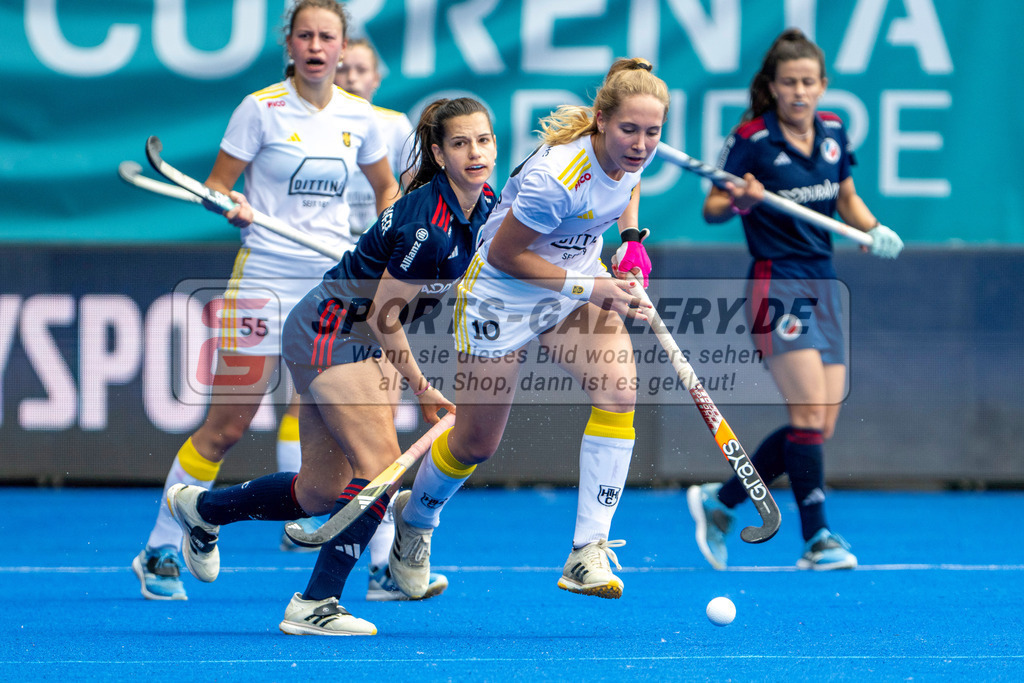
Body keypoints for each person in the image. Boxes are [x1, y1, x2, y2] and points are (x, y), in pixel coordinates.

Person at [162, 96, 498, 635]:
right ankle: (316, 602)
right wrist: (421, 386)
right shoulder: (427, 226)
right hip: (331, 330)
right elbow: (385, 317)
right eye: (460, 143)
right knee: (381, 463)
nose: (475, 152)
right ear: (439, 154)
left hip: (353, 335)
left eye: (483, 140)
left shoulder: (485, 208)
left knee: (319, 490)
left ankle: (205, 510)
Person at [131, 0, 401, 601]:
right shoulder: (260, 110)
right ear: (289, 45)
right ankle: (158, 549)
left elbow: (386, 188)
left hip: (330, 290)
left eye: (326, 37)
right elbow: (217, 186)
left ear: (341, 46)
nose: (315, 47)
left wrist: (382, 236)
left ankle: (371, 561)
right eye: (304, 36)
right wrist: (227, 204)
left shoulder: (361, 117)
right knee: (227, 427)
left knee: (351, 438)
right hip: (264, 284)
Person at [384, 58, 669, 601]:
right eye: (629, 130)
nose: (640, 144)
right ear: (602, 121)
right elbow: (504, 254)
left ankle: (587, 550)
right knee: (475, 444)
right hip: (502, 292)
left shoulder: (631, 154)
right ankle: (415, 519)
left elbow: (628, 185)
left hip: (573, 279)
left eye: (652, 133)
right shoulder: (557, 178)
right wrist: (592, 288)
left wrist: (630, 240)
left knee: (619, 391)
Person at [686, 28, 904, 571]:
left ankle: (723, 501)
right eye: (789, 82)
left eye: (808, 82)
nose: (799, 92)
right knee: (806, 415)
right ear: (773, 86)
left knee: (818, 426)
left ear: (823, 84)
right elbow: (712, 208)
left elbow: (846, 197)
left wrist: (873, 228)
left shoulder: (834, 131)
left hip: (824, 281)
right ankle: (817, 538)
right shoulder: (752, 139)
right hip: (776, 282)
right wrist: (741, 199)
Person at [335, 37, 416, 231]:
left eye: (361, 70)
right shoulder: (317, 124)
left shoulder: (397, 124)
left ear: (376, 79)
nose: (351, 78)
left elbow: (417, 192)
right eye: (342, 69)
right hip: (325, 239)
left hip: (378, 241)